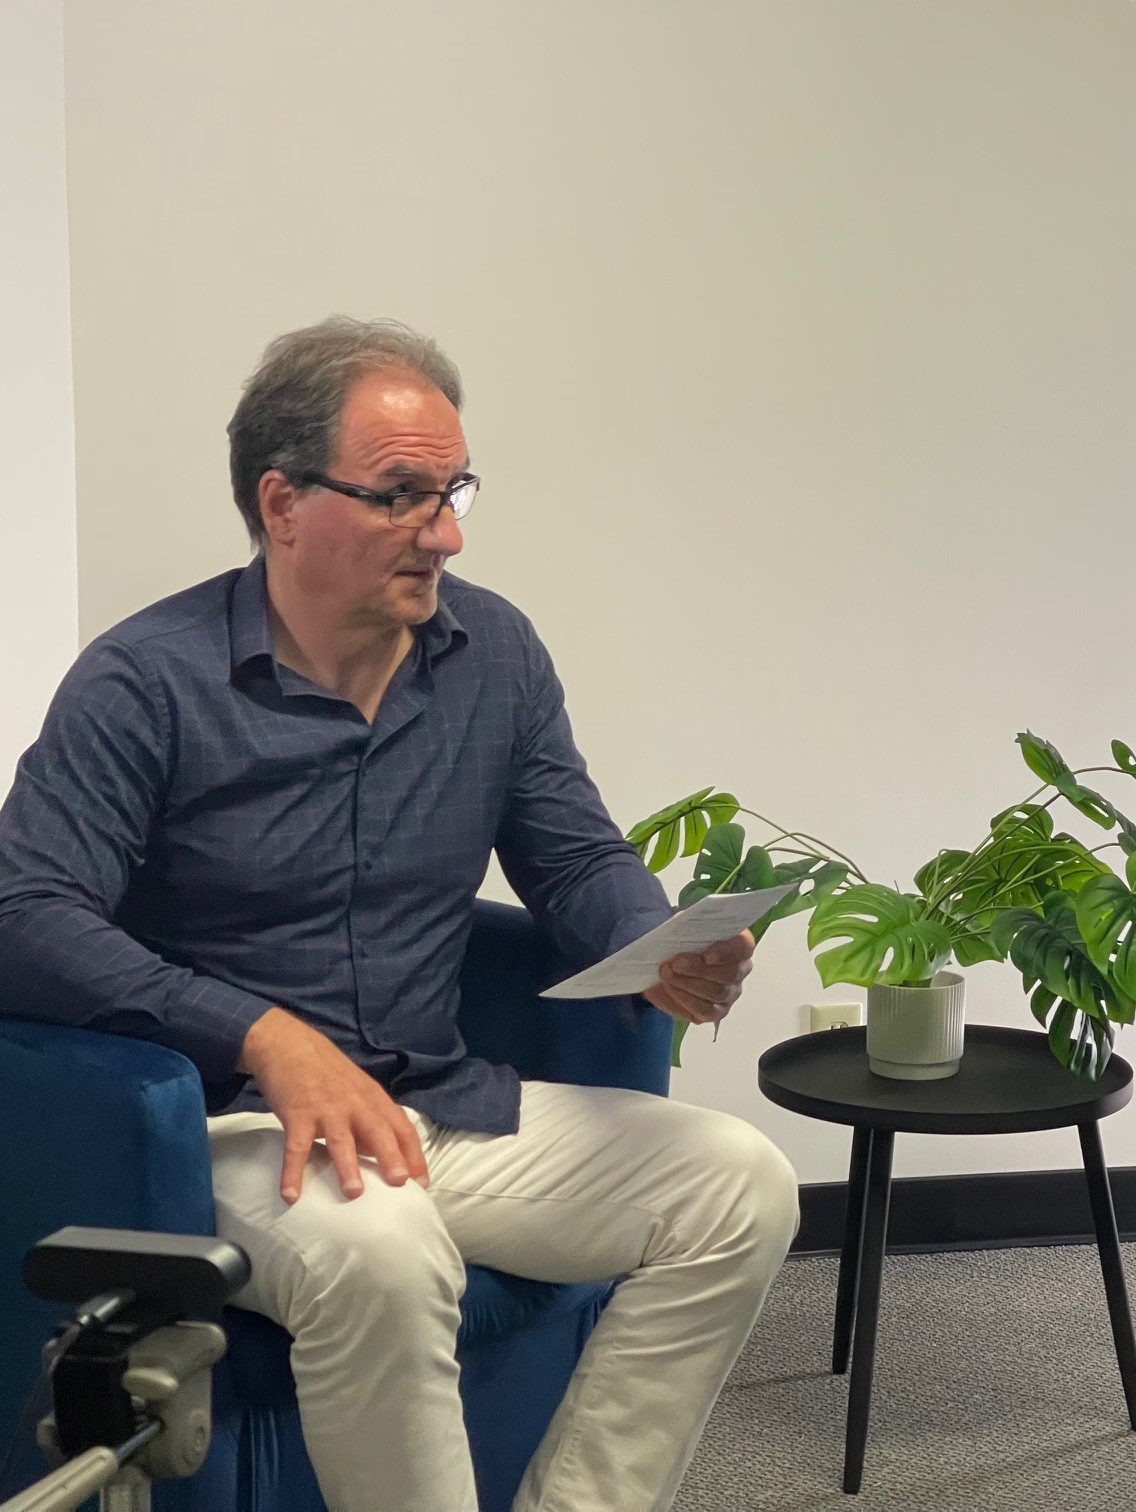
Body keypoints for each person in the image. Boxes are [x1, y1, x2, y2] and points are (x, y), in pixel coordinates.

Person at [0, 317, 800, 1511]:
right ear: (281, 503)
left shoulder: (494, 653)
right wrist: (261, 1034)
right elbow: (24, 914)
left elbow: (575, 854)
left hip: (435, 1102)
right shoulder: (146, 682)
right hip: (231, 1129)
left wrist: (653, 945)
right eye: (401, 496)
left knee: (738, 1186)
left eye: (454, 491)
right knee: (383, 1252)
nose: (446, 532)